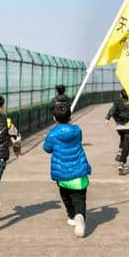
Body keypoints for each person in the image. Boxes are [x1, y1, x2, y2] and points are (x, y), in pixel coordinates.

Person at [43, 102, 92, 238]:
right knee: (80, 197)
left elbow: (47, 149)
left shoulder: (52, 134)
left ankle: (71, 215)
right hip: (79, 169)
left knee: (65, 194)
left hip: (62, 172)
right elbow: (79, 141)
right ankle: (80, 216)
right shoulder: (77, 130)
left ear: (54, 118)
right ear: (70, 117)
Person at [104, 90, 129, 175]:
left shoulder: (117, 103)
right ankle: (121, 164)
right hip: (128, 128)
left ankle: (119, 151)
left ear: (121, 96)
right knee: (126, 146)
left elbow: (112, 110)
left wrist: (107, 118)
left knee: (122, 137)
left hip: (119, 127)